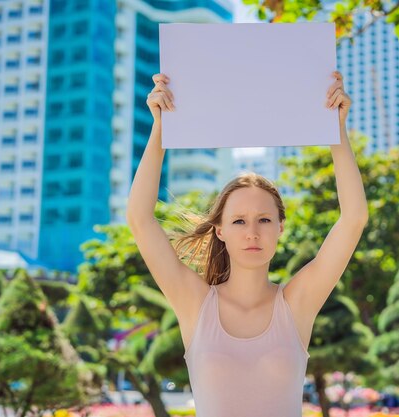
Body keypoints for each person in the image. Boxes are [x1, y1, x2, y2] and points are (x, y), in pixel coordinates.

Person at [126, 70, 368, 417]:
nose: (252, 232)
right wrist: (160, 128)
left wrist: (336, 131)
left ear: (280, 228)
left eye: (264, 220)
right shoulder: (195, 304)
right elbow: (140, 219)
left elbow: (353, 218)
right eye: (238, 221)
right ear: (220, 231)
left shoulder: (297, 303)